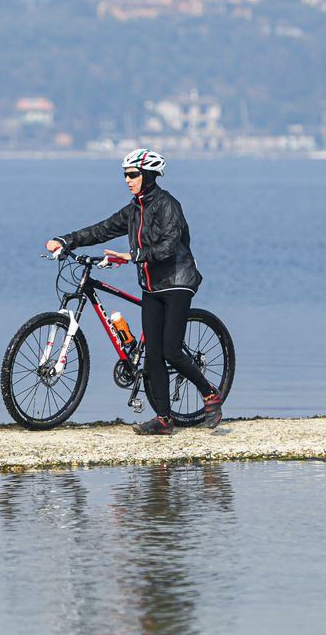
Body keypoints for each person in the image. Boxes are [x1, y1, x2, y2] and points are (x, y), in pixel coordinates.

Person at [46, 148, 223, 435]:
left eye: (133, 175)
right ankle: (164, 419)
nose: (127, 180)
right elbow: (101, 230)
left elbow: (168, 246)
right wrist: (66, 240)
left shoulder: (168, 205)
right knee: (153, 355)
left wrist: (131, 255)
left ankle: (210, 392)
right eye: (125, 175)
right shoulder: (134, 209)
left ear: (149, 175)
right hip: (151, 286)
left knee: (171, 351)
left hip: (178, 281)